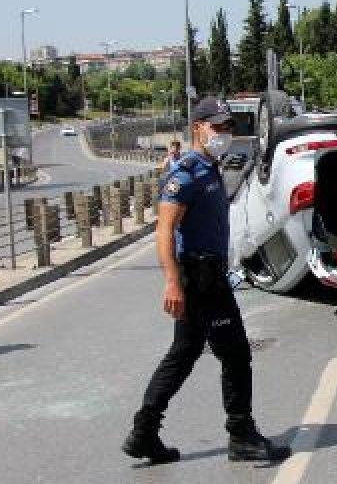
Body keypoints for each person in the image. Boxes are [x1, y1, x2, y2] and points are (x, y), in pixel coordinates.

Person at [122, 98, 291, 465]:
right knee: (235, 355)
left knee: (183, 354)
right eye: (217, 127)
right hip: (200, 280)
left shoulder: (210, 168)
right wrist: (172, 282)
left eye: (228, 127)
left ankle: (144, 432)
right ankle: (241, 433)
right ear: (197, 127)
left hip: (209, 274)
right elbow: (165, 229)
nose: (224, 134)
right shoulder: (187, 174)